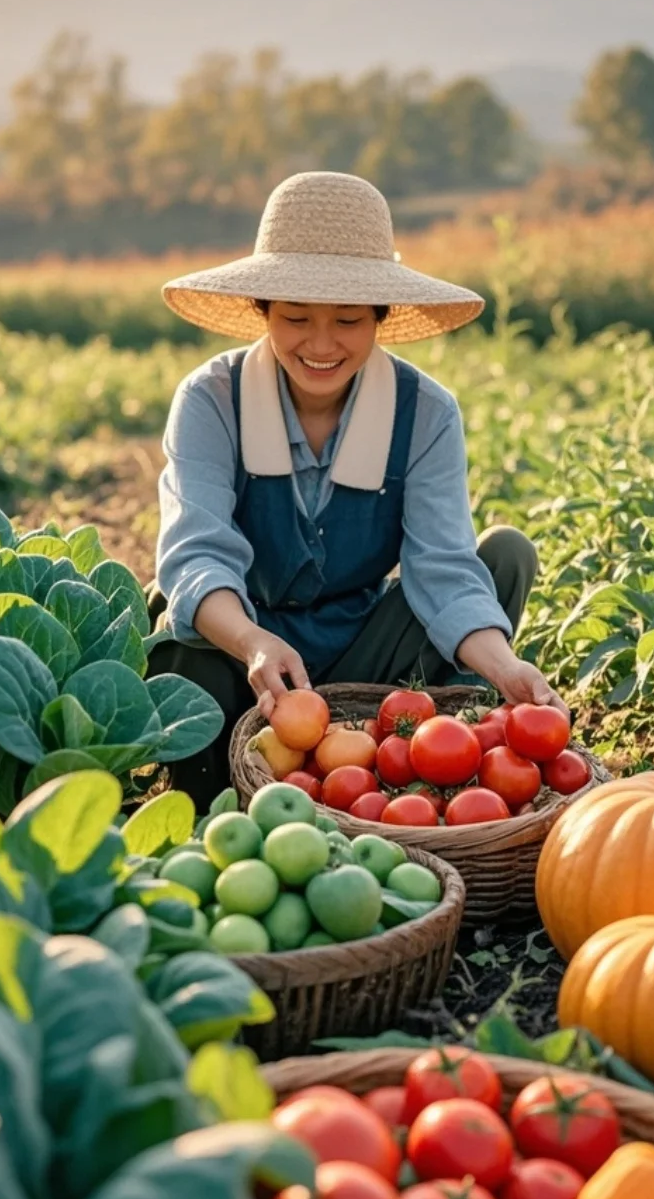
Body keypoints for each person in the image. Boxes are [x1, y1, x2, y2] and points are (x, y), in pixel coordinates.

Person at [148, 171, 566, 808]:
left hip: (367, 654)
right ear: (262, 311)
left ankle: (417, 768)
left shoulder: (424, 413)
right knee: (183, 629)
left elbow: (443, 569)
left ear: (380, 317)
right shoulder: (212, 400)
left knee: (505, 555)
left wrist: (507, 667)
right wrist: (253, 642)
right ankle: (210, 799)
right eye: (295, 318)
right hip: (245, 656)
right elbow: (196, 553)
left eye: (347, 320)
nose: (321, 345)